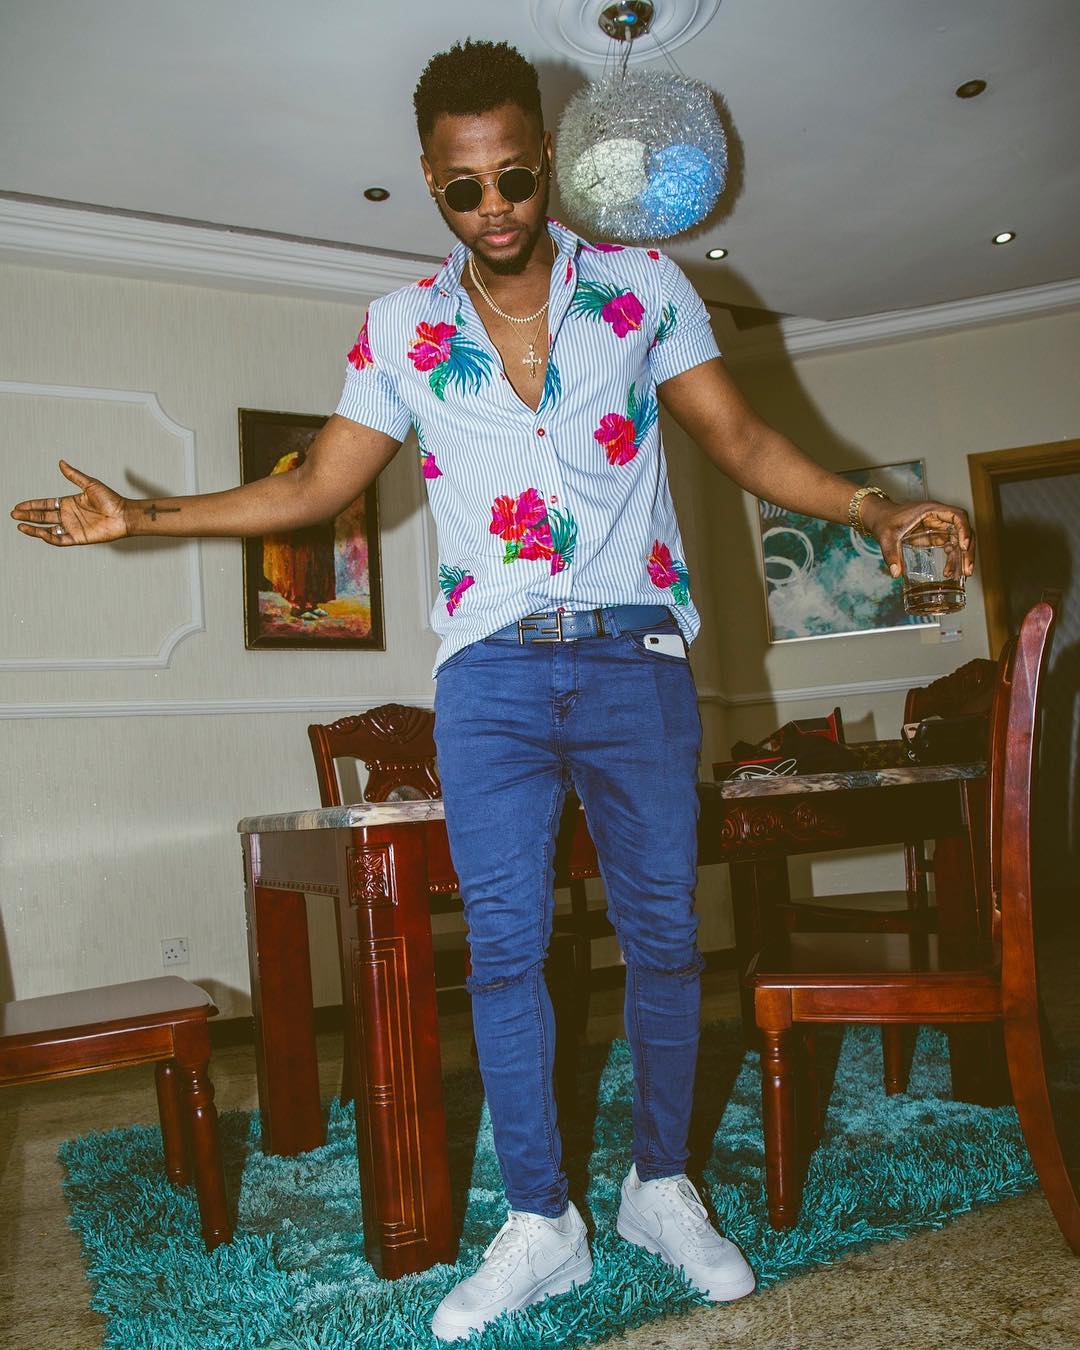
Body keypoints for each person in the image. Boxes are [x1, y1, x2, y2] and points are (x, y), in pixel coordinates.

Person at [10, 38, 975, 1343]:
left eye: (516, 176)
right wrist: (141, 517)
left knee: (665, 938)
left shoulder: (641, 288)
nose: (496, 207)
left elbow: (742, 441)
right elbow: (316, 487)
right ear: (431, 182)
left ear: (547, 159)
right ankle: (540, 1221)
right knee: (506, 952)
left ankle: (659, 1187)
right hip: (491, 678)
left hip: (636, 658)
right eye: (465, 188)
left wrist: (875, 507)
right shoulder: (399, 329)